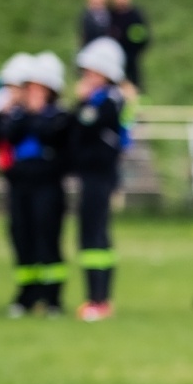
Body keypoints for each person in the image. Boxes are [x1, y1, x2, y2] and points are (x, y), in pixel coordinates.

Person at [0, 51, 70, 316]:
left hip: (47, 186)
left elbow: (54, 139)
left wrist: (34, 115)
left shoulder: (58, 117)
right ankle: (26, 293)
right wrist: (8, 111)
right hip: (20, 185)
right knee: (21, 237)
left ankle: (52, 296)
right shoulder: (16, 115)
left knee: (48, 238)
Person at [70, 37, 128, 322]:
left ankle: (99, 299)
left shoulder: (110, 101)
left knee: (95, 235)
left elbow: (87, 124)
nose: (86, 77)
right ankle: (95, 297)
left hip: (101, 176)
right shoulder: (97, 100)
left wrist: (82, 102)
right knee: (90, 235)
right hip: (89, 175)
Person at [108, 0, 151, 93]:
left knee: (134, 86)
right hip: (113, 59)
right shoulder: (110, 14)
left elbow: (144, 36)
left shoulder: (135, 15)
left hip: (131, 58)